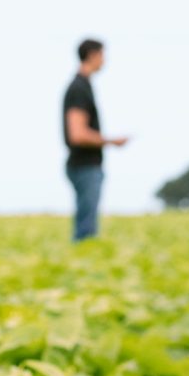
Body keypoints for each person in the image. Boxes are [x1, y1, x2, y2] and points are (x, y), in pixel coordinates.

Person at [62, 38, 129, 241]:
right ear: (92, 55)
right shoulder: (79, 87)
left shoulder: (83, 86)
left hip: (85, 165)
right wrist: (111, 141)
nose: (104, 61)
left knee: (87, 222)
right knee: (86, 228)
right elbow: (77, 134)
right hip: (84, 165)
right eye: (103, 55)